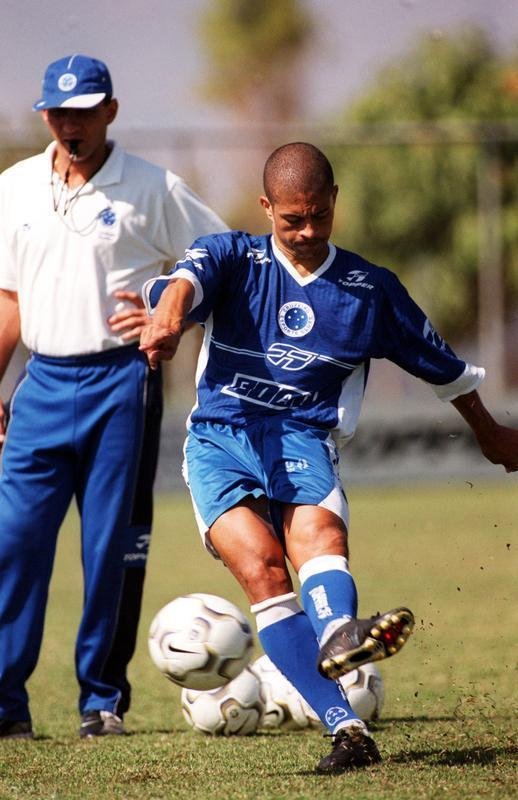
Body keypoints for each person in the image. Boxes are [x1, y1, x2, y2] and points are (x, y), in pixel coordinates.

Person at [140, 141, 518, 774]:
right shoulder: (235, 256)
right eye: (292, 219)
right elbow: (184, 283)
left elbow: (445, 371)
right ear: (267, 208)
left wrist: (490, 432)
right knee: (264, 569)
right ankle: (346, 726)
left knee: (319, 533)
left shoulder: (370, 291)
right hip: (219, 440)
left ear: (335, 201)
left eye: (319, 215)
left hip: (302, 438)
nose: (308, 230)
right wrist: (168, 323)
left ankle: (341, 635)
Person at [0, 53, 227, 740]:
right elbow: (8, 298)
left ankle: (101, 702)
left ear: (111, 111)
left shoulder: (154, 187)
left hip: (121, 384)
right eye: (61, 112)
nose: (73, 123)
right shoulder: (13, 189)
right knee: (13, 545)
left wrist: (168, 311)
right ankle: (6, 705)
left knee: (109, 551)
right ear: (45, 115)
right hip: (40, 384)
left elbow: (221, 260)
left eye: (86, 110)